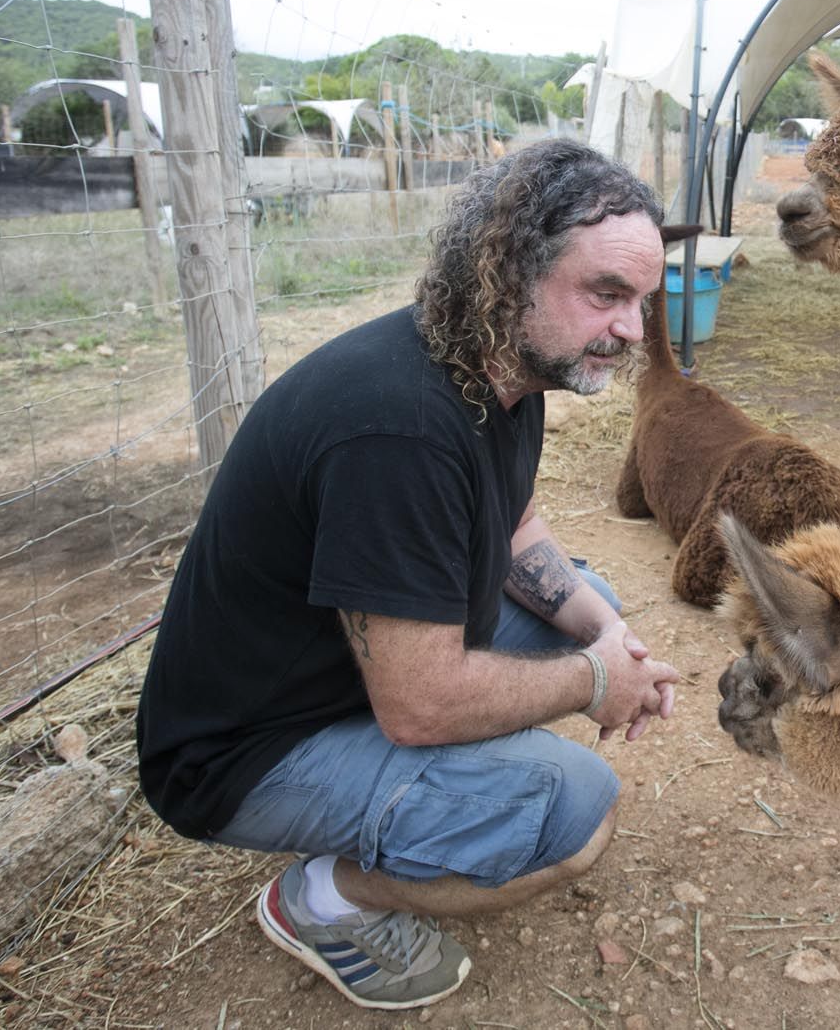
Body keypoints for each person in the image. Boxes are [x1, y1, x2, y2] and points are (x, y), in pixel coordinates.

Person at [136, 140, 682, 1011]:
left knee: (596, 607)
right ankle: (321, 898)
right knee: (577, 818)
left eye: (641, 299)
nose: (629, 329)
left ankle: (421, 794)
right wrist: (591, 682)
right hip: (244, 751)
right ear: (510, 269)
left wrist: (599, 636)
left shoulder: (508, 369)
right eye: (606, 293)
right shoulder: (399, 430)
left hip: (345, 676)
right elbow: (420, 703)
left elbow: (512, 524)